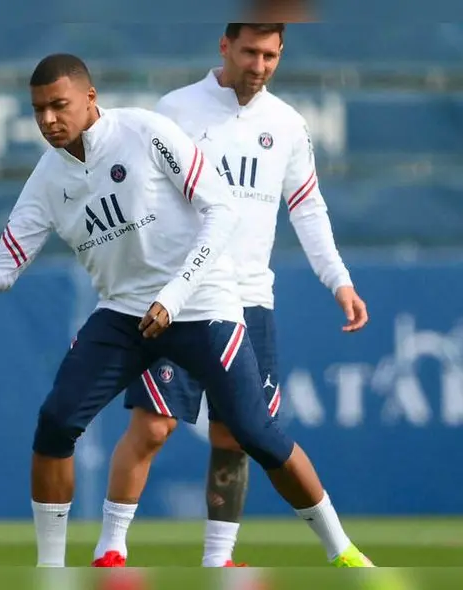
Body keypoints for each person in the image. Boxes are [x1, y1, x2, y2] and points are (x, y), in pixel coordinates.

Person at [0, 53, 373, 568]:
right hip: (125, 315)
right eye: (38, 110)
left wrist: (174, 295)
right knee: (56, 422)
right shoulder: (47, 180)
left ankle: (342, 551)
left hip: (202, 304)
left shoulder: (146, 132)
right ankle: (51, 572)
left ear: (90, 98)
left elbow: (222, 210)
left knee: (254, 435)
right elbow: (3, 267)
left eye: (59, 106)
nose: (48, 120)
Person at [91, 23, 370, 569]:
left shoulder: (287, 124)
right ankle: (109, 550)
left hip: (249, 301)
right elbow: (136, 199)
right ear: (225, 46)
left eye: (270, 55)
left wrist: (338, 279)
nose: (259, 65)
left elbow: (307, 208)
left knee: (236, 436)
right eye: (249, 52)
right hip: (181, 299)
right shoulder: (176, 110)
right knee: (152, 425)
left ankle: (219, 561)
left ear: (281, 54)